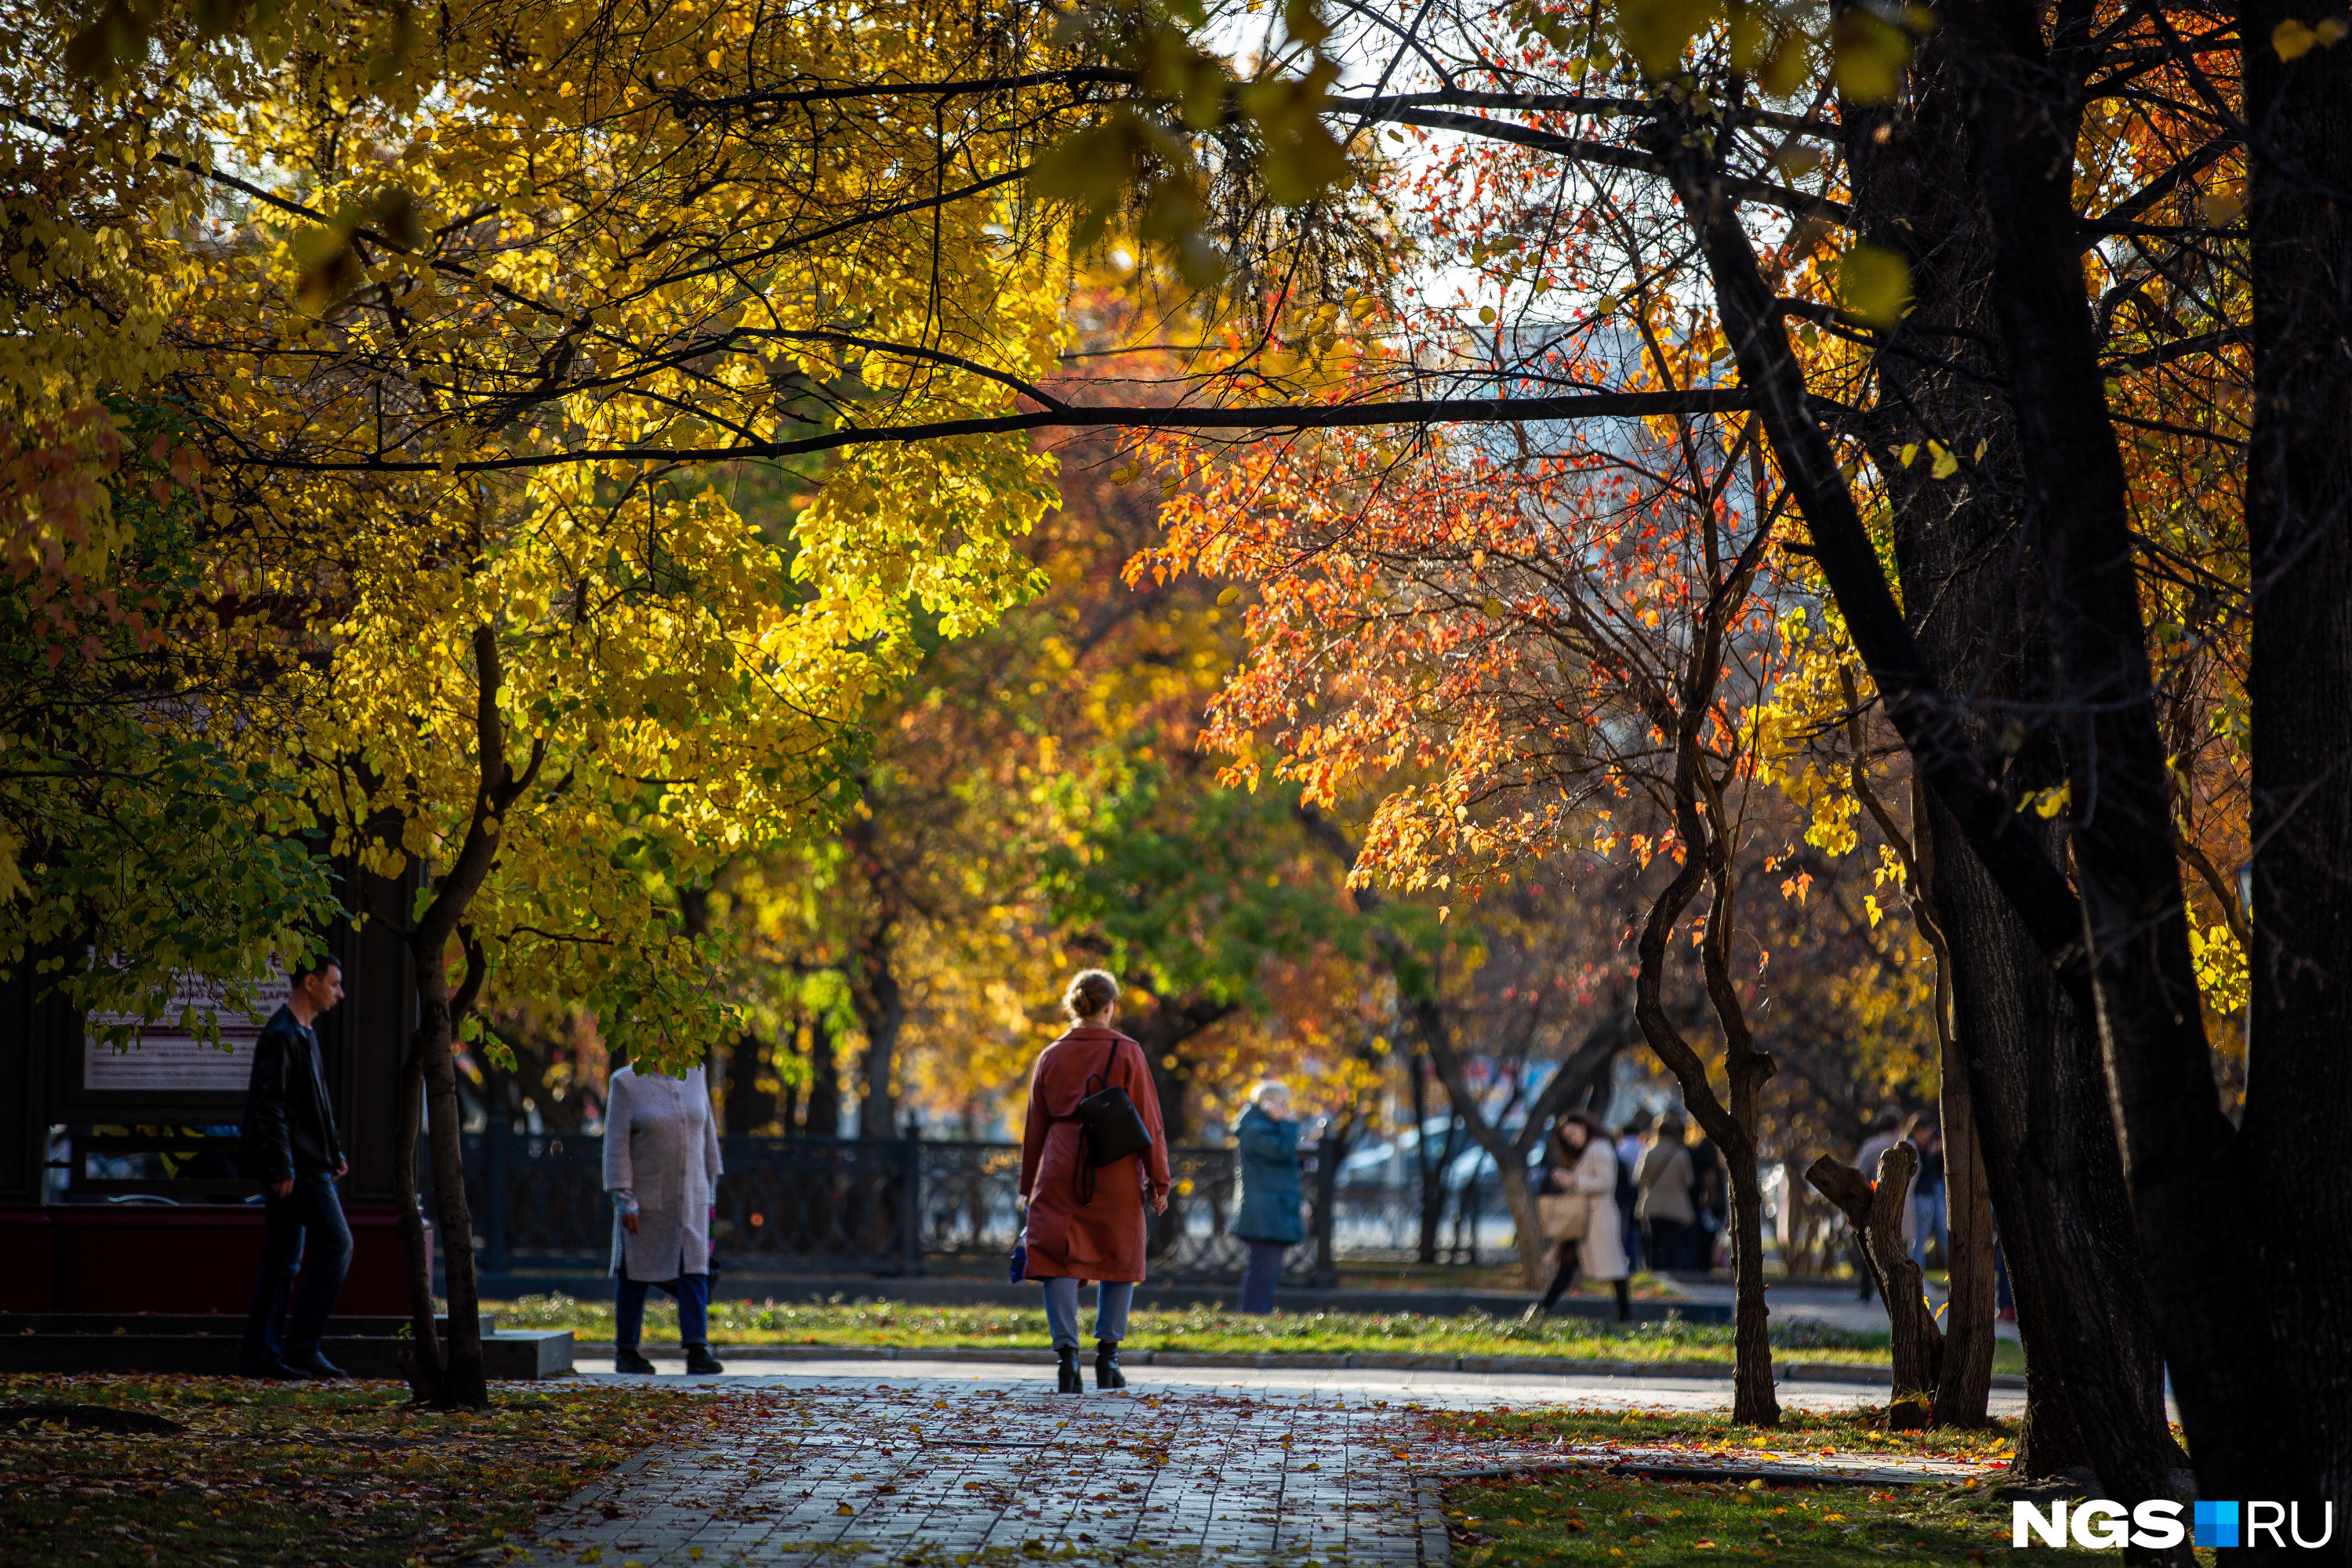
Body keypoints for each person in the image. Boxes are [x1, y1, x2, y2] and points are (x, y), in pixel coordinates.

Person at [1018, 969, 1172, 1393]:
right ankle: (1109, 1358)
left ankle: (1067, 1360)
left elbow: (1036, 1125)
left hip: (1060, 1163)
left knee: (1056, 1258)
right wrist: (1159, 1180)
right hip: (1115, 1164)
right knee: (1120, 1255)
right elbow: (1148, 1119)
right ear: (1110, 1007)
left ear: (1074, 1006)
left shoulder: (1050, 1055)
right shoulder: (1128, 1051)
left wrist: (1027, 1185)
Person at [238, 955, 353, 1380]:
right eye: (334, 984)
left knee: (284, 1257)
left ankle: (261, 1355)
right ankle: (301, 1346)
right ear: (310, 982)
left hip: (306, 1163)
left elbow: (311, 1106)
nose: (340, 993)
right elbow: (270, 1107)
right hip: (297, 1170)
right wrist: (283, 1165)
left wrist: (332, 1152)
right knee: (336, 1245)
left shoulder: (301, 1033)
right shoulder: (283, 1034)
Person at [604, 1051, 725, 1375]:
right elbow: (616, 1145)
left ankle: (698, 1348)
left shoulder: (695, 1073)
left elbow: (707, 1134)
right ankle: (626, 1350)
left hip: (694, 1196)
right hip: (645, 1200)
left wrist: (711, 1189)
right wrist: (623, 1196)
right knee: (635, 1273)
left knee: (695, 1271)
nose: (666, 1038)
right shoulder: (626, 1083)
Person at [1530, 1112, 1632, 1321]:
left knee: (1613, 1266)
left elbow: (1606, 1182)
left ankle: (1625, 1313)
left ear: (1584, 1126)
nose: (1572, 1139)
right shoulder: (1593, 1148)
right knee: (1569, 1266)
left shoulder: (1599, 1147)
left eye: (1572, 1133)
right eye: (1567, 1137)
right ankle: (1542, 1310)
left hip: (1598, 1218)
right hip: (1585, 1220)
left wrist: (1574, 1182)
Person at [1231, 1080, 1304, 1314]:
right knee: (1263, 1268)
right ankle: (1253, 1316)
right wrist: (1289, 1126)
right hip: (1264, 1211)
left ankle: (1258, 1314)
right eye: (1284, 1104)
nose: (1288, 1110)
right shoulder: (1256, 1130)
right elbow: (1281, 1152)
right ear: (1268, 1104)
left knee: (1268, 1269)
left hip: (1271, 1208)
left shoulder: (1262, 1128)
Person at [1853, 1107, 1918, 1300]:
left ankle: (1866, 1291)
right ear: (1898, 1125)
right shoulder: (1909, 1145)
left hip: (1876, 1203)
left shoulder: (1871, 1146)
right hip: (1904, 1204)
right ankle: (1899, 1293)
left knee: (1872, 1247)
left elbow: (1859, 1173)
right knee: (1900, 1250)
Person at [1635, 1113, 1698, 1274]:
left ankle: (1656, 1272)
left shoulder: (1649, 1152)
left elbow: (1641, 1178)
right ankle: (1672, 1272)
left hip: (1653, 1204)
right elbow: (1689, 1181)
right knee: (1672, 1242)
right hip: (1676, 1206)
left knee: (1655, 1241)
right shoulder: (1681, 1154)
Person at [1909, 1118, 1947, 1272]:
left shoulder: (1930, 1146)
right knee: (1920, 1238)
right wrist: (1932, 1154)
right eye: (1927, 1131)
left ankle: (1958, 1273)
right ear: (1917, 1130)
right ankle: (1917, 1274)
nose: (1929, 1136)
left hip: (1935, 1195)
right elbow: (1918, 1173)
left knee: (1946, 1234)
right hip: (1921, 1196)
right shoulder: (1912, 1147)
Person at [1613, 1112, 1649, 1274]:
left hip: (1623, 1193)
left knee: (1624, 1228)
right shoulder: (1643, 1147)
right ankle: (1636, 1262)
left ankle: (1627, 1261)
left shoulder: (1620, 1149)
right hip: (1641, 1192)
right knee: (1637, 1229)